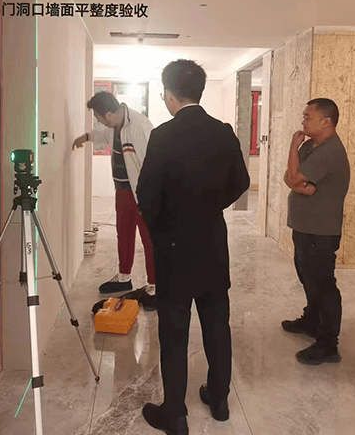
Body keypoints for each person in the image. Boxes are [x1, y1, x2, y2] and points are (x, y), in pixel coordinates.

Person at [136, 60, 250, 435]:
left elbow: (146, 196)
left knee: (174, 329)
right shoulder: (223, 132)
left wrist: (162, 228)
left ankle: (175, 413)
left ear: (169, 94)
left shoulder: (163, 135)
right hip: (213, 243)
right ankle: (219, 400)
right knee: (217, 323)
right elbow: (241, 182)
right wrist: (210, 206)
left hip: (174, 248)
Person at [72, 91, 156, 310]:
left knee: (149, 239)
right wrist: (85, 137)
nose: (99, 122)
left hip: (142, 193)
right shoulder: (114, 126)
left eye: (98, 118)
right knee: (124, 234)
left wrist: (151, 197)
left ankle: (155, 286)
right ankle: (124, 277)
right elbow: (100, 135)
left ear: (108, 114)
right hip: (122, 190)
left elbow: (153, 162)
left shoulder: (139, 126)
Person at [282, 98, 350, 365]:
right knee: (307, 277)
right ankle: (312, 320)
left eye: (308, 116)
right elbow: (289, 176)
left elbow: (294, 177)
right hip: (304, 227)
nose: (303, 120)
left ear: (326, 121)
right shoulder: (311, 146)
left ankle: (328, 344)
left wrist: (292, 149)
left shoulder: (330, 151)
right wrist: (298, 182)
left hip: (321, 231)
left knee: (323, 285)